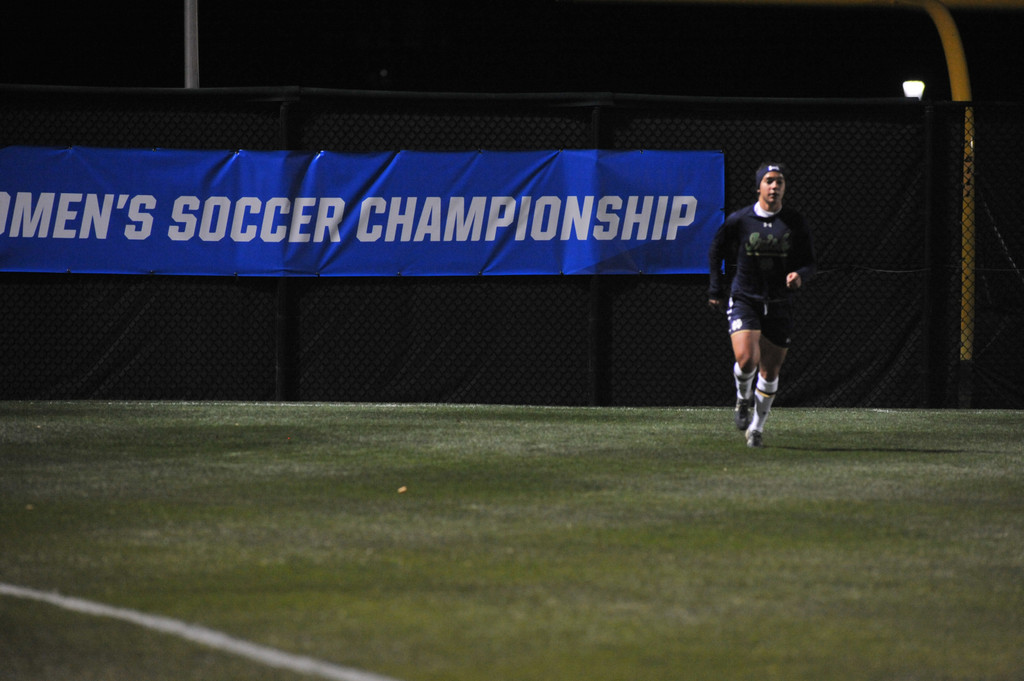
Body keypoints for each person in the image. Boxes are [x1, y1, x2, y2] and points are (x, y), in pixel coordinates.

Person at [707, 163, 817, 447]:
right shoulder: (740, 220)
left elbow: (809, 262)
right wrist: (716, 288)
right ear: (759, 187)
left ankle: (756, 428)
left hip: (780, 302)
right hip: (746, 297)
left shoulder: (794, 222)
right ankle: (743, 398)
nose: (774, 186)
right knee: (746, 360)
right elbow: (716, 248)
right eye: (769, 181)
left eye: (779, 181)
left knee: (770, 371)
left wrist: (800, 276)